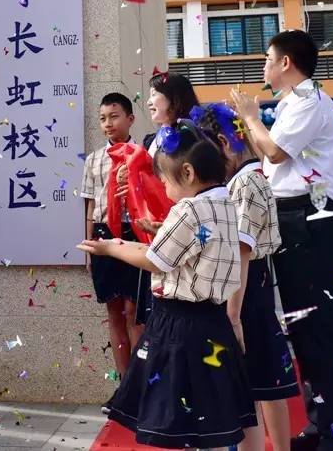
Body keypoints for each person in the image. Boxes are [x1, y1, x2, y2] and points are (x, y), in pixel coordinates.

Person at [78, 119, 256, 449]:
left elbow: (156, 260)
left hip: (179, 326)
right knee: (210, 415)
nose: (163, 186)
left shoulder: (188, 209)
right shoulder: (225, 204)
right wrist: (122, 244)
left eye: (164, 178)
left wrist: (110, 248)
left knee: (176, 417)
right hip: (213, 322)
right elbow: (165, 250)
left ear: (187, 173)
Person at [229, 30, 333, 451]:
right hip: (290, 217)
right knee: (300, 327)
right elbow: (269, 158)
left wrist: (250, 115)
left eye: (268, 58)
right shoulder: (291, 104)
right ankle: (320, 424)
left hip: (310, 220)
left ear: (286, 62)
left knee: (318, 329)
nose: (264, 66)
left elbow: (275, 154)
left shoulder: (308, 102)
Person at [192, 103, 298, 451]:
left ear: (222, 143)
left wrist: (233, 315)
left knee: (263, 382)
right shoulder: (246, 178)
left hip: (248, 291)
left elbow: (242, 252)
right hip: (246, 287)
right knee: (250, 387)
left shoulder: (246, 184)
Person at [80, 93, 150, 377]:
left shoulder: (143, 156)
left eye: (114, 116)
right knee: (114, 311)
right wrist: (89, 246)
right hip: (103, 233)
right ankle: (123, 386)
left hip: (134, 232)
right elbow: (91, 204)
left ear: (130, 119)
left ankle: (138, 386)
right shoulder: (94, 160)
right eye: (102, 118)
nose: (108, 123)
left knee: (134, 311)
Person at [144, 73, 200, 155]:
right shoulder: (151, 141)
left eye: (153, 94)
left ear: (174, 98)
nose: (148, 102)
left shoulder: (191, 139)